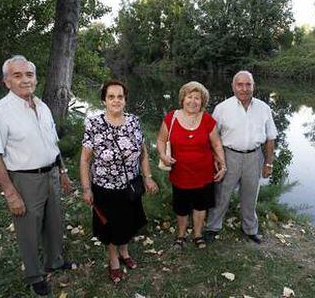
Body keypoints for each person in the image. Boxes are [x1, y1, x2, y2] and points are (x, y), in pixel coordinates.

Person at [0, 55, 75, 296]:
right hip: (25, 179)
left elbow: (52, 143)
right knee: (29, 229)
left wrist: (62, 172)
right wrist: (11, 194)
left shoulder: (42, 106)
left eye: (29, 74)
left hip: (51, 174)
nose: (25, 80)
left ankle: (54, 260)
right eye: (17, 75)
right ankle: (34, 275)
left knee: (54, 222)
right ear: (6, 82)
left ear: (35, 77)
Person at [80, 79, 158, 284]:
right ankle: (114, 259)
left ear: (125, 99)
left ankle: (124, 251)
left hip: (131, 186)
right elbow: (85, 159)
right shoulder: (94, 123)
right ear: (104, 100)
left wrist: (147, 177)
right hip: (105, 188)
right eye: (111, 96)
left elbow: (143, 153)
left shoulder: (133, 121)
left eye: (120, 97)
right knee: (111, 226)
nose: (116, 100)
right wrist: (87, 188)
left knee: (128, 223)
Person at [204, 70, 278, 244]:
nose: (244, 88)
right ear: (233, 86)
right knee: (222, 194)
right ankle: (213, 227)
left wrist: (268, 163)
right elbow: (213, 137)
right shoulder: (222, 108)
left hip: (254, 156)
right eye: (240, 84)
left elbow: (270, 138)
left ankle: (250, 229)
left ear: (254, 86)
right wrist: (217, 160)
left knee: (251, 195)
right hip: (228, 156)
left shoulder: (264, 108)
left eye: (248, 84)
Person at [157, 81, 226, 249]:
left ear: (202, 102)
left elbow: (217, 145)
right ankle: (181, 235)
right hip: (180, 173)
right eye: (190, 97)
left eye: (197, 98)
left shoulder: (208, 120)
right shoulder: (171, 118)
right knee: (181, 207)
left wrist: (223, 165)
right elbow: (160, 140)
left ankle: (197, 234)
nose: (193, 101)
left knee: (200, 206)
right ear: (183, 98)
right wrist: (163, 155)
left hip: (203, 174)